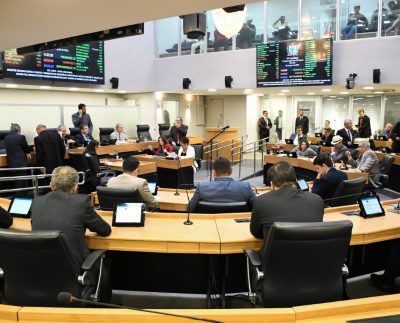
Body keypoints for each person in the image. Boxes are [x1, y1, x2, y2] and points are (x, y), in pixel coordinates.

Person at [31, 166, 111, 266]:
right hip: (75, 272)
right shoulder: (81, 202)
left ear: (51, 185)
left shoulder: (36, 202)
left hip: (41, 269)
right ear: (74, 188)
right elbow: (105, 230)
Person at [250, 161, 324, 239]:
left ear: (272, 184)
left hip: (277, 251)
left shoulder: (261, 201)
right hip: (311, 250)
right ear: (295, 180)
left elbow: (256, 233)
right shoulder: (317, 200)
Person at [188, 157, 256, 213]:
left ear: (214, 172)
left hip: (208, 227)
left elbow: (190, 209)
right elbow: (257, 208)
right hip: (237, 227)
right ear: (231, 171)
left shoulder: (201, 187)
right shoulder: (245, 187)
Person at [4, 123, 31, 195]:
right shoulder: (21, 137)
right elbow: (26, 149)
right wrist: (28, 153)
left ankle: (18, 198)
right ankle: (23, 199)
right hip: (20, 164)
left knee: (17, 183)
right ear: (18, 130)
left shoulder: (6, 138)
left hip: (12, 164)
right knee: (23, 184)